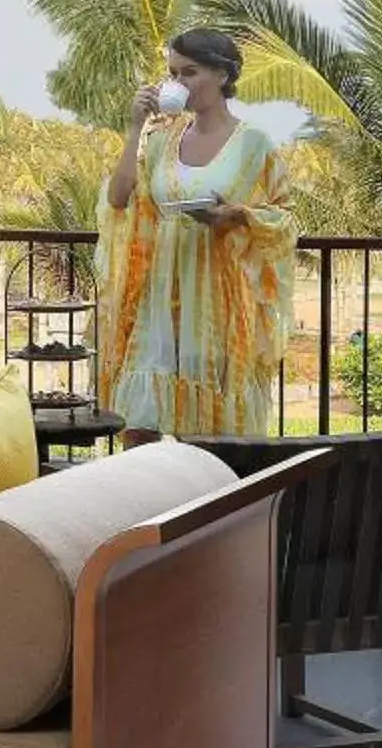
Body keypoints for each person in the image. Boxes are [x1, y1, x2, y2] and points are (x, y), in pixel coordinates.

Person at [98, 28, 297, 440]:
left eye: (189, 73)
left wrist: (237, 215)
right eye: (172, 74)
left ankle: (212, 502)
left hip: (215, 300)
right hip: (156, 298)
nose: (177, 84)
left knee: (210, 430)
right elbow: (119, 199)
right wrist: (136, 128)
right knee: (142, 424)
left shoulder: (254, 144)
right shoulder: (160, 138)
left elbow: (285, 218)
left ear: (222, 75)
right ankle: (151, 506)